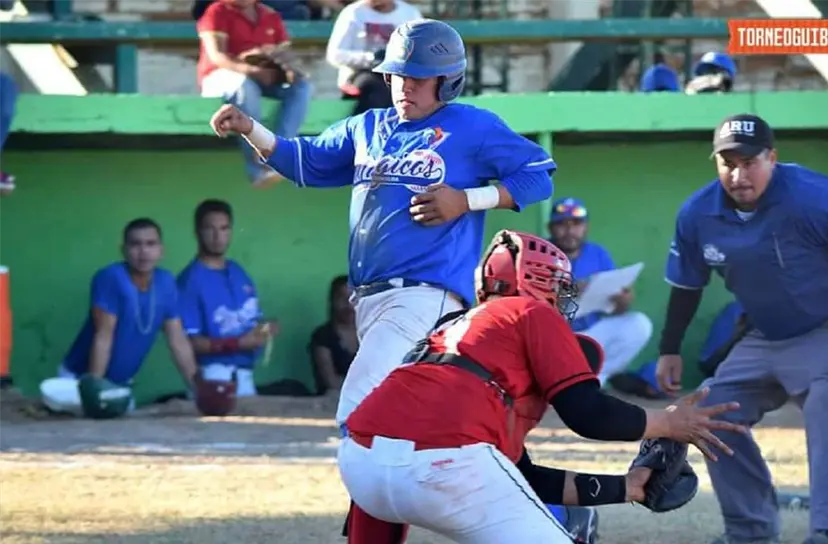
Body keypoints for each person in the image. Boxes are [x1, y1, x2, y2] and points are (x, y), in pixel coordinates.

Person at [209, 18, 556, 540]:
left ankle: (385, 524)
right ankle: (552, 509)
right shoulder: (368, 126)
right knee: (413, 432)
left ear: (449, 81)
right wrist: (249, 128)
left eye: (418, 78)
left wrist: (468, 199)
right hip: (371, 303)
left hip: (426, 299)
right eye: (396, 76)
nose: (404, 86)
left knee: (359, 418)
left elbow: (539, 173)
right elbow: (304, 162)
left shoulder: (473, 127)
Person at [339, 230, 747, 542]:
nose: (564, 301)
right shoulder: (531, 310)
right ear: (541, 283)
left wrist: (628, 488)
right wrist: (668, 423)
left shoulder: (450, 333)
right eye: (561, 290)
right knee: (571, 527)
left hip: (359, 465)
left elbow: (519, 475)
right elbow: (587, 414)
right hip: (445, 465)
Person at [656, 113, 828, 544]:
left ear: (772, 158)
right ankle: (750, 531)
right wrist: (669, 348)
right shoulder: (698, 213)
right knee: (710, 413)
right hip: (767, 332)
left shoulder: (814, 196)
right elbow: (687, 285)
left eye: (749, 161)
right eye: (727, 162)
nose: (738, 174)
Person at [41, 219, 198, 415]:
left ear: (161, 250)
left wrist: (197, 389)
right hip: (79, 381)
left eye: (151, 244)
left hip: (120, 387)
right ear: (123, 250)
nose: (143, 251)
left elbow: (178, 340)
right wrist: (94, 390)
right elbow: (103, 336)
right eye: (135, 244)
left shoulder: (166, 283)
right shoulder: (111, 278)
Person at [197, 0, 313, 187]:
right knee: (245, 85)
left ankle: (282, 155)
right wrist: (252, 71)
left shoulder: (270, 14)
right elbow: (218, 56)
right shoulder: (217, 11)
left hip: (263, 78)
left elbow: (285, 53)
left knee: (302, 87)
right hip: (219, 76)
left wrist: (290, 70)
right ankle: (258, 168)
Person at [547, 197, 654, 386]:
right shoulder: (542, 253)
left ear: (586, 227)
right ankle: (562, 384)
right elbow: (530, 304)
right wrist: (571, 290)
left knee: (639, 324)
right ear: (551, 228)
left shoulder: (597, 253)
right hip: (554, 339)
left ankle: (596, 379)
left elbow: (613, 307)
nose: (570, 231)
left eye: (577, 224)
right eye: (562, 224)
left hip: (591, 334)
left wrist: (622, 301)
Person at [177, 200, 278, 397]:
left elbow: (249, 322)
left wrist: (265, 329)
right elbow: (188, 343)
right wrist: (239, 343)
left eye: (224, 228)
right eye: (210, 228)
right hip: (211, 377)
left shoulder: (238, 272)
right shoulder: (189, 280)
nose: (217, 236)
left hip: (246, 377)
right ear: (197, 232)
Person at [326, 0, 422, 115]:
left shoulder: (409, 13)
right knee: (378, 87)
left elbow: (420, 49)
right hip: (361, 73)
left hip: (398, 71)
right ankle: (366, 128)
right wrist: (371, 58)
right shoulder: (353, 13)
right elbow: (335, 54)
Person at [307, 275, 358, 395]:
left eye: (353, 298)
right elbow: (331, 382)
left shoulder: (369, 334)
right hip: (330, 403)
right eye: (342, 298)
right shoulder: (323, 336)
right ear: (332, 300)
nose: (348, 304)